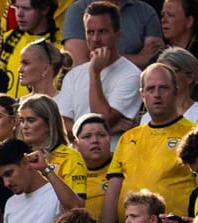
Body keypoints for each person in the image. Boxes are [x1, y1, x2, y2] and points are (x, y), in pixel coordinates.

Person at [102, 64, 198, 223]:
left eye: (163, 87)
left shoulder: (194, 135)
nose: (157, 94)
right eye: (150, 89)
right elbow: (113, 193)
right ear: (142, 95)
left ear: (176, 91)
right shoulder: (128, 138)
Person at [57, 2, 142, 130]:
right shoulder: (74, 75)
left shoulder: (132, 74)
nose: (96, 39)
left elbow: (102, 118)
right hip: (76, 150)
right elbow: (61, 125)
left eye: (102, 31)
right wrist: (109, 128)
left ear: (117, 35)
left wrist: (94, 73)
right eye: (90, 32)